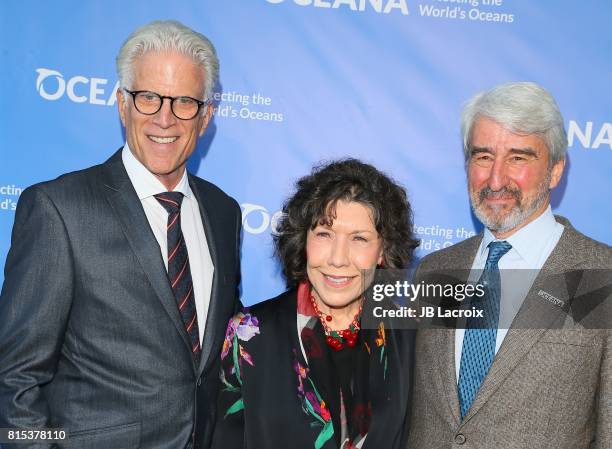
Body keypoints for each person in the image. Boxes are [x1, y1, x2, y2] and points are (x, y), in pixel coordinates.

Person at [0, 20, 241, 449]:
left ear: (206, 117)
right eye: (148, 97)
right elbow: (14, 376)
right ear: (121, 104)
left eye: (184, 101)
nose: (165, 119)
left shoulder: (224, 212)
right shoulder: (60, 209)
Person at [406, 82, 612, 449]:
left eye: (518, 157)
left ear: (554, 170)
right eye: (483, 156)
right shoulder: (433, 270)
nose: (496, 179)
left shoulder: (601, 275)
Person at [211, 159, 418, 449]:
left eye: (359, 239)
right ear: (303, 240)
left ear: (382, 251)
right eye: (324, 234)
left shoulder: (408, 337)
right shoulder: (249, 335)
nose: (337, 258)